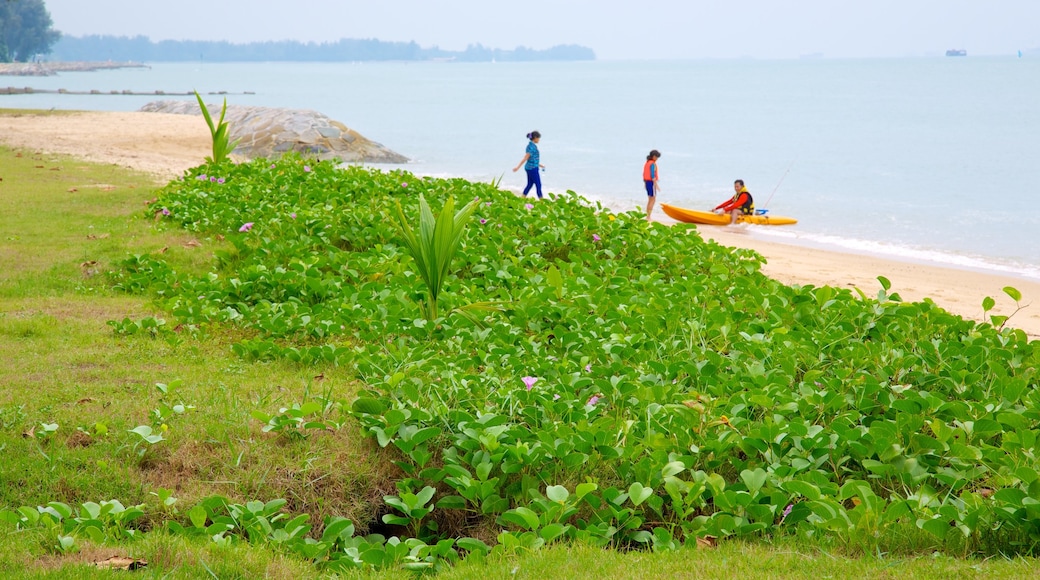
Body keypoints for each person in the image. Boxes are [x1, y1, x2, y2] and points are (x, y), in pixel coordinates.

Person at [512, 131, 544, 199]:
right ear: (535, 138)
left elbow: (533, 159)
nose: (539, 140)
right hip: (532, 169)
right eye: (538, 138)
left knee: (530, 184)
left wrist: (540, 165)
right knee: (538, 185)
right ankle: (542, 201)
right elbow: (525, 158)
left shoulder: (531, 146)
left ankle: (522, 198)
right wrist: (517, 167)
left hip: (530, 167)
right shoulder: (532, 147)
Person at [643, 150, 661, 221]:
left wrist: (645, 183)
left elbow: (644, 174)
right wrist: (656, 185)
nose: (657, 159)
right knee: (652, 200)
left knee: (650, 199)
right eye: (657, 157)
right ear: (654, 157)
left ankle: (648, 215)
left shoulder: (647, 163)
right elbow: (652, 175)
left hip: (647, 182)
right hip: (651, 182)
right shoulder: (652, 164)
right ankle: (648, 216)